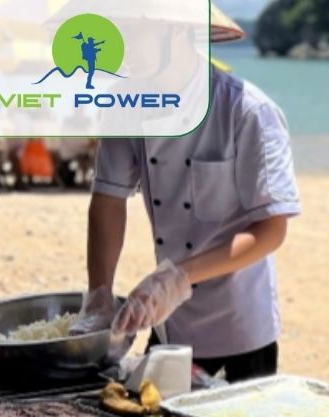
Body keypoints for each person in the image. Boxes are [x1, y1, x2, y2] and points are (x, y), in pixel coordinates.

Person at [71, 5, 299, 383]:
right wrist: (99, 293)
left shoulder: (247, 112)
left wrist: (176, 278)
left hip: (238, 326)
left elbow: (270, 231)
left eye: (132, 32)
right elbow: (108, 201)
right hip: (168, 324)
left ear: (175, 32)